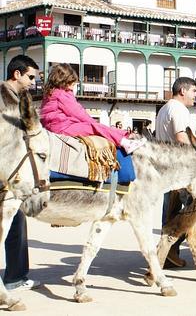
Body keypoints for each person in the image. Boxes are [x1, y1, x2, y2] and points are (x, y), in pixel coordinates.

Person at [40, 64, 146, 154]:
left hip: (56, 126)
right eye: (71, 82)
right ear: (63, 81)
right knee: (94, 128)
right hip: (62, 128)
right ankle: (125, 142)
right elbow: (77, 112)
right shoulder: (62, 94)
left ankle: (124, 136)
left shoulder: (51, 93)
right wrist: (93, 123)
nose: (74, 84)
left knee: (96, 127)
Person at [0, 55, 40, 291]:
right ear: (17, 74)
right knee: (13, 223)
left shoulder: (18, 97)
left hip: (11, 170)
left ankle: (16, 275)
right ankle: (15, 277)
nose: (33, 82)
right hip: (5, 170)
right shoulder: (4, 98)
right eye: (30, 77)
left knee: (16, 222)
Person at [156, 77, 196, 269]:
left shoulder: (164, 108)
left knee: (170, 211)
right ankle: (171, 249)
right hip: (179, 168)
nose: (195, 95)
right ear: (183, 90)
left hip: (166, 168)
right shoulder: (179, 109)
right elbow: (181, 137)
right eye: (193, 91)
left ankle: (166, 254)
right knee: (193, 209)